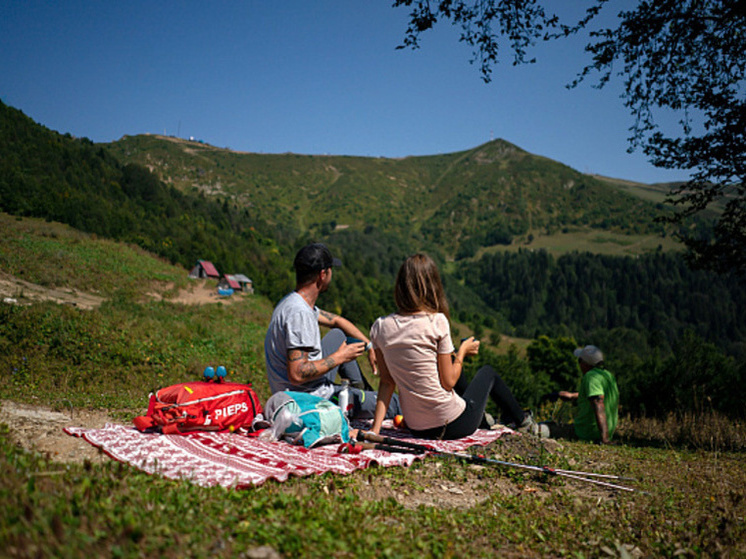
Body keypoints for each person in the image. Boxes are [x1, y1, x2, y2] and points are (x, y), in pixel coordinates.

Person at [369, 253, 544, 440]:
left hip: (417, 427)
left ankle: (486, 421)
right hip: (453, 424)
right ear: (432, 286)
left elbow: (387, 382)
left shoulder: (380, 326)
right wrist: (462, 352)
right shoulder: (436, 321)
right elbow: (449, 382)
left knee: (449, 360)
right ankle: (522, 421)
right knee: (487, 372)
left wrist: (374, 430)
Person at [264, 242, 401, 419]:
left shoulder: (294, 302)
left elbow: (337, 321)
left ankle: (362, 394)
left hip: (300, 390)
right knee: (395, 403)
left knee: (337, 334)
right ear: (323, 275)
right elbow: (297, 374)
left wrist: (369, 346)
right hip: (308, 400)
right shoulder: (300, 314)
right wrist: (340, 356)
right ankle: (364, 401)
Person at [552, 345, 619, 444]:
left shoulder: (590, 376)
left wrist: (604, 438)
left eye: (580, 360)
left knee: (544, 429)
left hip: (587, 432)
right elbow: (598, 395)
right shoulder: (608, 376)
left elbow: (598, 402)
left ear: (585, 363)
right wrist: (571, 396)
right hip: (606, 431)